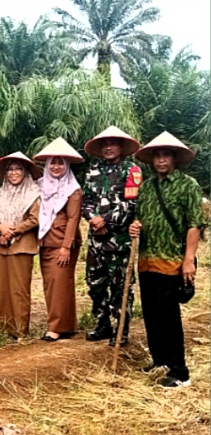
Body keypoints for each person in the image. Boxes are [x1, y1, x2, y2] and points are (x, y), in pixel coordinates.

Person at [129, 132, 205, 388]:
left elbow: (194, 225)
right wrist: (135, 227)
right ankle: (160, 360)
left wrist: (189, 260)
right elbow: (140, 218)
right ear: (152, 160)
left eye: (166, 155)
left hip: (172, 260)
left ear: (174, 159)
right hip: (147, 260)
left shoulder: (187, 185)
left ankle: (179, 372)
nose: (161, 160)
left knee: (169, 315)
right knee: (151, 313)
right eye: (157, 155)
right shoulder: (146, 187)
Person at [81, 126, 142, 347]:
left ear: (121, 147)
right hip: (95, 240)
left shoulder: (131, 170)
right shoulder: (93, 170)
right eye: (105, 144)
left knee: (120, 286)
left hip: (119, 241)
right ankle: (103, 324)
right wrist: (93, 220)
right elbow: (86, 200)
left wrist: (105, 220)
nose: (108, 147)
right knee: (94, 283)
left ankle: (121, 329)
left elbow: (132, 203)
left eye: (113, 143)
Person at [34, 138, 83, 342]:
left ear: (67, 165)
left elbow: (73, 218)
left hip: (63, 243)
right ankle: (67, 324)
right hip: (46, 242)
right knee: (52, 284)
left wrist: (66, 247)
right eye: (52, 162)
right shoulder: (41, 185)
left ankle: (56, 327)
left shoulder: (72, 189)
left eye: (60, 163)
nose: (56, 167)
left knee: (60, 283)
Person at [0, 152, 41, 340]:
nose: (13, 173)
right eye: (10, 169)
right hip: (2, 245)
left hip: (22, 245)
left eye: (18, 169)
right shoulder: (1, 192)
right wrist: (1, 228)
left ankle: (20, 330)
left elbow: (35, 219)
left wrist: (13, 231)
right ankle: (5, 327)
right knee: (3, 288)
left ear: (25, 171)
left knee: (19, 289)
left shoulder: (32, 193)